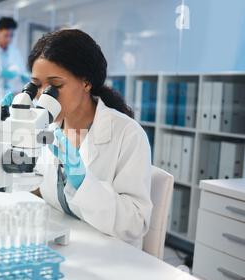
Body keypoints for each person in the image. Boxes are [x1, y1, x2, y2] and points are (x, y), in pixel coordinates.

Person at [30, 29, 153, 249]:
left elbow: (135, 223)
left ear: (86, 82)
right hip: (67, 247)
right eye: (37, 86)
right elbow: (43, 189)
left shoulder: (128, 134)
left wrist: (85, 183)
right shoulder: (50, 126)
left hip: (111, 258)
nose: (43, 96)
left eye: (55, 86)